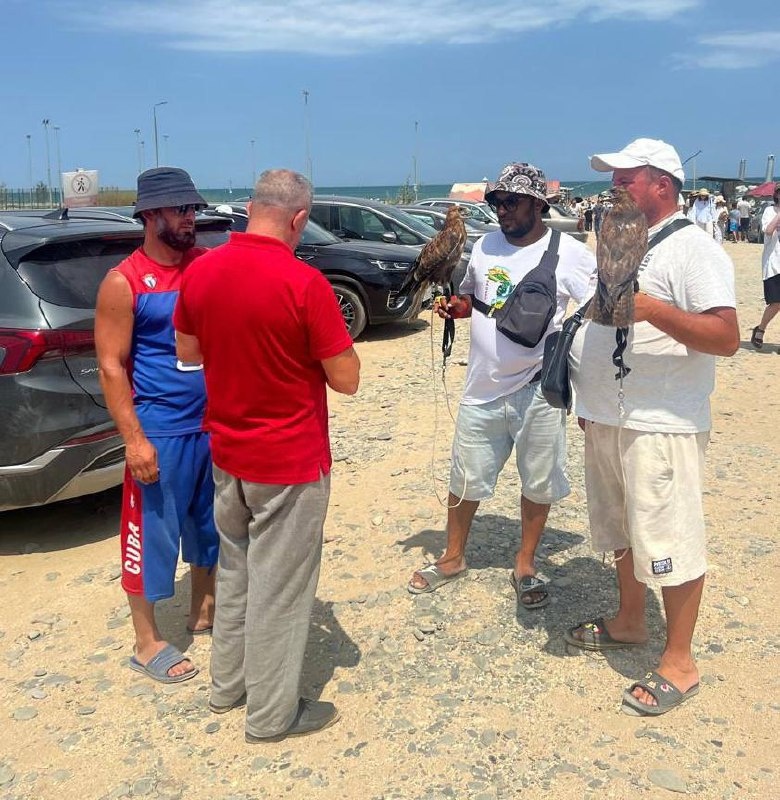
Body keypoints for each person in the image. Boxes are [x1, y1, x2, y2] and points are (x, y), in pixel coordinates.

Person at [173, 169, 360, 742]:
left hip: (228, 452)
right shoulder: (305, 283)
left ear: (252, 209)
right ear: (299, 219)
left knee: (236, 573)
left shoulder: (201, 271)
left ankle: (226, 687)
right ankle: (272, 716)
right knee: (281, 590)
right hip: (289, 460)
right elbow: (347, 379)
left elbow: (188, 353)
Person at [567, 138, 739, 716]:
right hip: (610, 415)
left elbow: (726, 338)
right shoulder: (620, 240)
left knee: (669, 535)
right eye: (613, 178)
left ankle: (680, 662)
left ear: (662, 185)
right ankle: (630, 621)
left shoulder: (693, 248)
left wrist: (655, 310)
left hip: (661, 422)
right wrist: (590, 399)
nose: (614, 187)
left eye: (626, 178)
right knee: (620, 527)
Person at [407, 162, 596, 610]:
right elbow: (476, 299)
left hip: (539, 388)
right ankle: (453, 556)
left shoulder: (570, 253)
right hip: (482, 387)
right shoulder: (485, 245)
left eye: (512, 201)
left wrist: (589, 390)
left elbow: (595, 316)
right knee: (464, 476)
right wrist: (457, 308)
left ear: (538, 204)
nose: (502, 209)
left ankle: (525, 563)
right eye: (497, 201)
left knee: (539, 482)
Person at [95, 167, 219, 684]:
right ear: (150, 214)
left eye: (193, 209)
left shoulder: (206, 265)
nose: (191, 218)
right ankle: (146, 642)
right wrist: (134, 441)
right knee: (151, 534)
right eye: (180, 209)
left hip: (211, 426)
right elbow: (110, 366)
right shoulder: (123, 281)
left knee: (210, 526)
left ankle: (204, 609)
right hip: (160, 430)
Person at [749, 183, 780, 350]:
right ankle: (760, 329)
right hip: (774, 263)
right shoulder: (769, 211)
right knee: (775, 302)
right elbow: (768, 231)